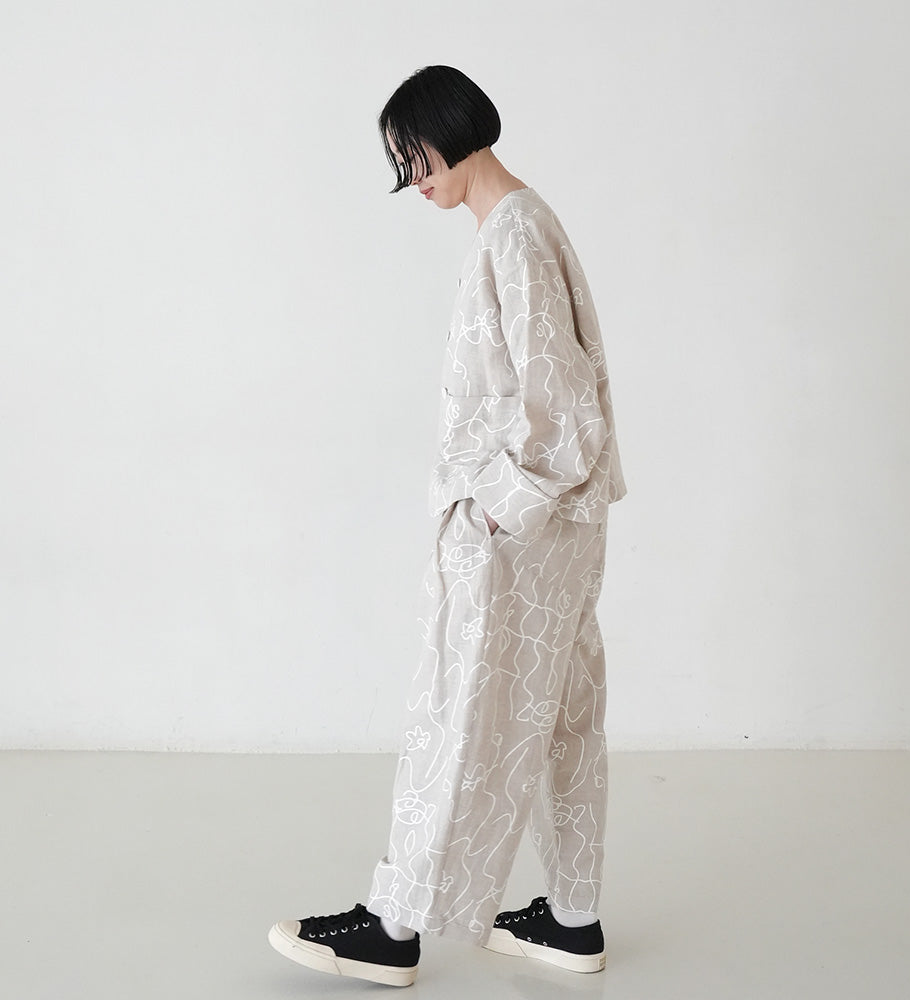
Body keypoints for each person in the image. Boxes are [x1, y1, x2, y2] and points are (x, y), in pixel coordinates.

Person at [268, 64, 626, 988]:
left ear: (451, 126)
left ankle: (394, 929)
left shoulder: (514, 233)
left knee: (460, 714)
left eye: (414, 155)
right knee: (560, 716)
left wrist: (494, 510)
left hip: (520, 532)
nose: (413, 178)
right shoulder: (521, 224)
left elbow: (564, 408)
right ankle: (572, 920)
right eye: (403, 163)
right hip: (556, 532)